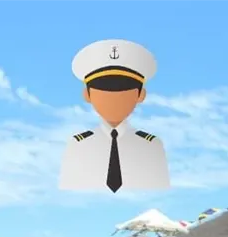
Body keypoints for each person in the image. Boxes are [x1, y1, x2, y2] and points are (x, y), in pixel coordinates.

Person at [59, 39, 169, 192]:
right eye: (103, 91)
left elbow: (160, 192)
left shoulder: (151, 146)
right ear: (87, 95)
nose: (114, 98)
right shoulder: (78, 145)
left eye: (124, 91)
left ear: (141, 95)